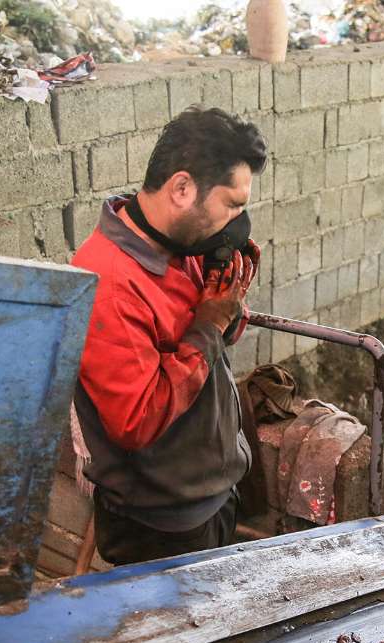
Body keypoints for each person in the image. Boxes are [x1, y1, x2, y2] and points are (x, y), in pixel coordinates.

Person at [70, 106, 266, 565]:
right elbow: (137, 419)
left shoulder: (187, 245)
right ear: (181, 188)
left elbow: (223, 338)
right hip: (160, 526)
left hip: (213, 497)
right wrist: (208, 325)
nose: (238, 216)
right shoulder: (110, 281)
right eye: (232, 203)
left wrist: (229, 290)